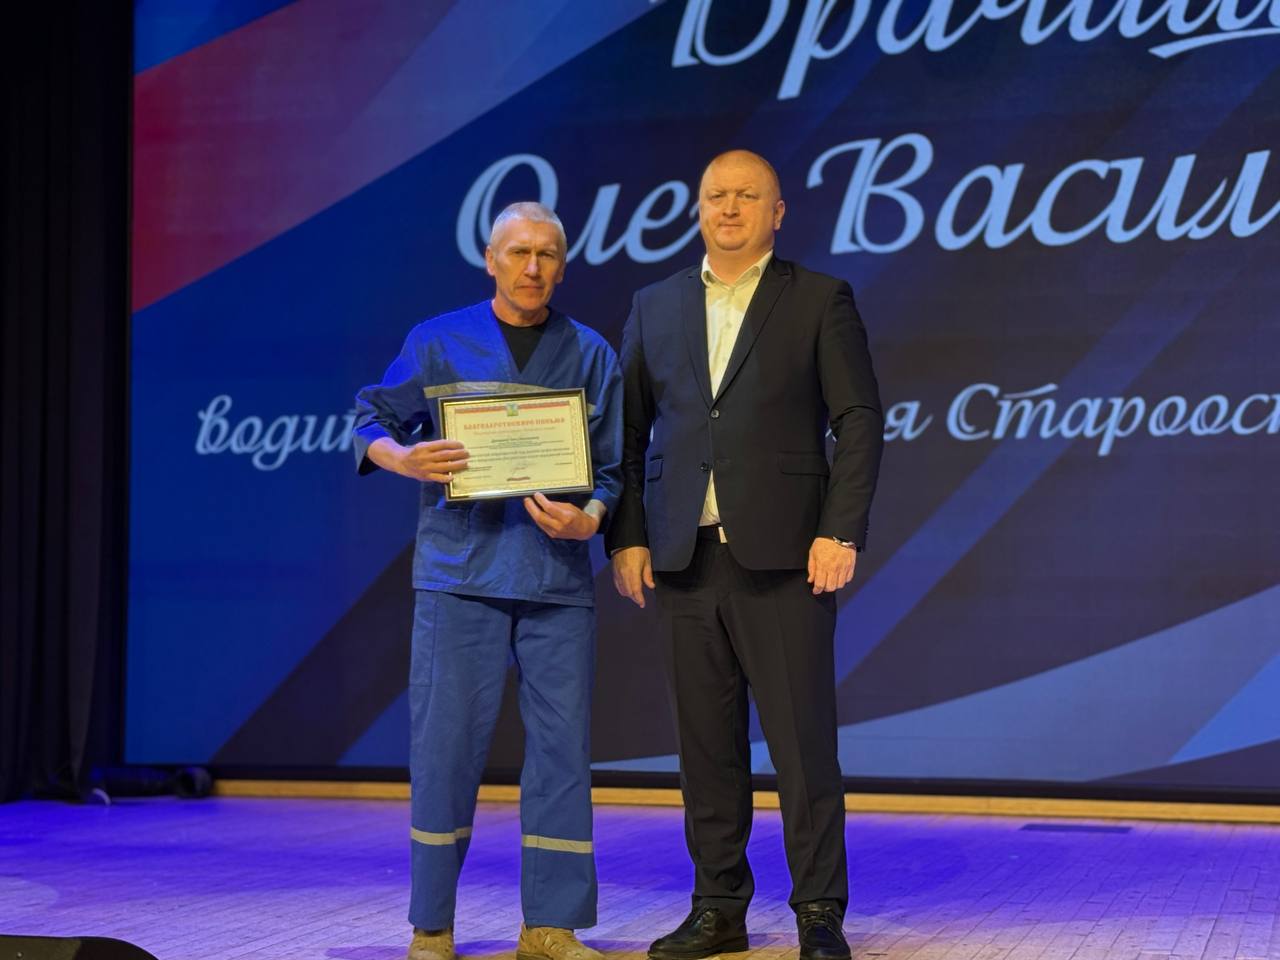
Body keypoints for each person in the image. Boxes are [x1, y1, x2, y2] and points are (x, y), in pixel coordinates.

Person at [606, 151, 883, 960]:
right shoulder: (654, 304)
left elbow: (859, 420)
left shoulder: (821, 298)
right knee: (705, 751)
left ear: (778, 211)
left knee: (803, 747)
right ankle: (718, 908)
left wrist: (840, 528)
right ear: (698, 208)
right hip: (684, 559)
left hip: (789, 557)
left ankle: (819, 912)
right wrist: (627, 534)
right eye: (715, 196)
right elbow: (627, 431)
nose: (729, 208)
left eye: (747, 196)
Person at [353, 202, 621, 960]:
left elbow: (614, 469)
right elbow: (369, 420)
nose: (532, 267)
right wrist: (402, 458)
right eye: (518, 252)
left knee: (563, 752)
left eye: (546, 254)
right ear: (491, 260)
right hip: (459, 574)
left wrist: (591, 519)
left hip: (556, 580)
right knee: (445, 749)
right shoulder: (437, 341)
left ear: (562, 267)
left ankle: (550, 926)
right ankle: (432, 926)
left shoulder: (591, 353)